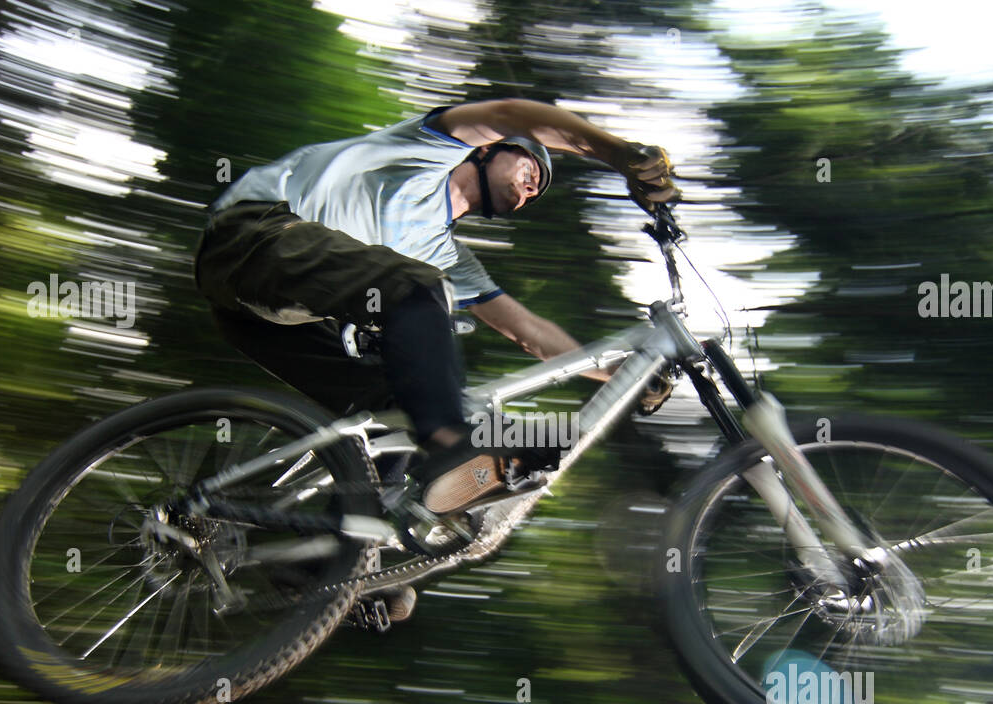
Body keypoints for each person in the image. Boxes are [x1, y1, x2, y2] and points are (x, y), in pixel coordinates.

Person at [194, 98, 678, 518]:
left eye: (538, 190)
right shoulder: (425, 154)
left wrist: (623, 372)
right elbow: (515, 114)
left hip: (271, 321)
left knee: (396, 405)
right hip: (252, 238)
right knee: (421, 291)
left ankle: (334, 559)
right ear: (488, 149)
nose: (533, 186)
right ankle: (452, 446)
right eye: (531, 167)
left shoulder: (448, 258)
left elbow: (526, 330)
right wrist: (618, 154)